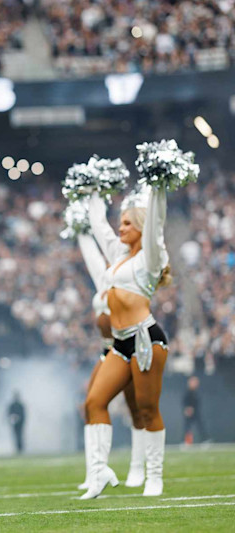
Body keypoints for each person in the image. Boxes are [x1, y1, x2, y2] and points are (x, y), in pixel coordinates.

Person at [83, 185, 171, 498]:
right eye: (120, 223)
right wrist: (91, 193)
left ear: (141, 228)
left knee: (147, 409)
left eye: (127, 224)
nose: (120, 228)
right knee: (94, 402)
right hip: (120, 343)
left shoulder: (150, 258)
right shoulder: (119, 257)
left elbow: (156, 223)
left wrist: (158, 187)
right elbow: (99, 229)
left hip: (146, 339)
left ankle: (154, 476)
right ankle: (98, 472)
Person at [76, 232, 146, 490]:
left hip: (130, 348)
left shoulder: (133, 277)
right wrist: (81, 230)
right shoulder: (106, 277)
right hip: (109, 350)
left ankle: (137, 468)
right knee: (90, 405)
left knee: (136, 408)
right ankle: (94, 470)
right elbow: (93, 257)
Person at [183, 376, 208, 444]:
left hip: (196, 412)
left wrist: (193, 409)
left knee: (200, 426)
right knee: (188, 427)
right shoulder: (187, 392)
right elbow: (184, 402)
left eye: (195, 382)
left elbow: (198, 403)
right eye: (192, 382)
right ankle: (188, 442)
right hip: (189, 413)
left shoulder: (197, 392)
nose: (194, 383)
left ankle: (204, 440)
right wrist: (187, 409)